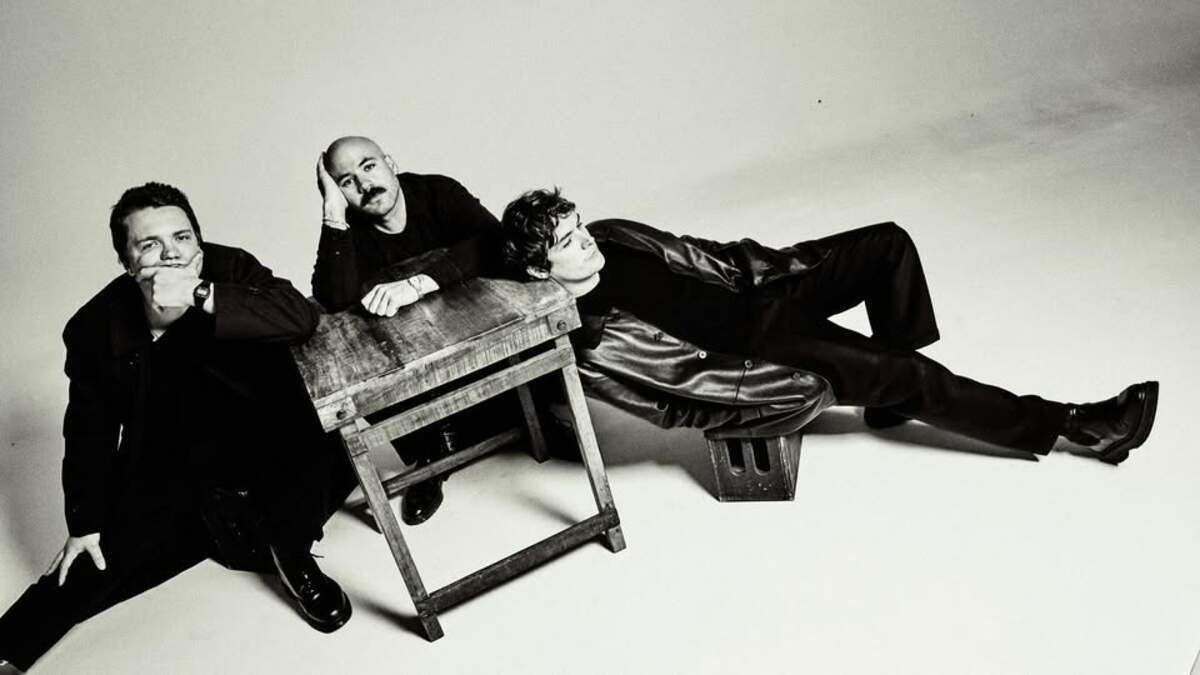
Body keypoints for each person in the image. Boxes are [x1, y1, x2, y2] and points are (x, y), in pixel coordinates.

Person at [495, 188, 1158, 464]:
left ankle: (891, 396)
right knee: (911, 373)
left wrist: (771, 266)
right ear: (537, 268)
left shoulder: (615, 234)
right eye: (567, 241)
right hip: (760, 352)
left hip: (767, 288)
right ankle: (1076, 426)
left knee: (887, 244)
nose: (585, 239)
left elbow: (703, 254)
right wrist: (758, 404)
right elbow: (671, 406)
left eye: (577, 225)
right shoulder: (590, 341)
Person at [0, 183, 355, 673]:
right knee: (99, 562)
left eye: (182, 238)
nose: (171, 254)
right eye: (149, 245)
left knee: (302, 461)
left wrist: (199, 294)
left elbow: (301, 317)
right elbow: (88, 428)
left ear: (199, 245)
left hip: (265, 441)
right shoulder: (92, 327)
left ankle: (292, 556)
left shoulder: (229, 269)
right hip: (174, 459)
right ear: (127, 263)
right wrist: (83, 522)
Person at [310, 135, 504, 525]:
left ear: (391, 163)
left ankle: (531, 418)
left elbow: (495, 242)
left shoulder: (437, 192)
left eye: (369, 166)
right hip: (419, 378)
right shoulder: (349, 231)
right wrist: (333, 214)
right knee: (359, 351)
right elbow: (333, 298)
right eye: (347, 182)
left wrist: (417, 284)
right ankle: (434, 456)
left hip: (481, 353)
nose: (364, 184)